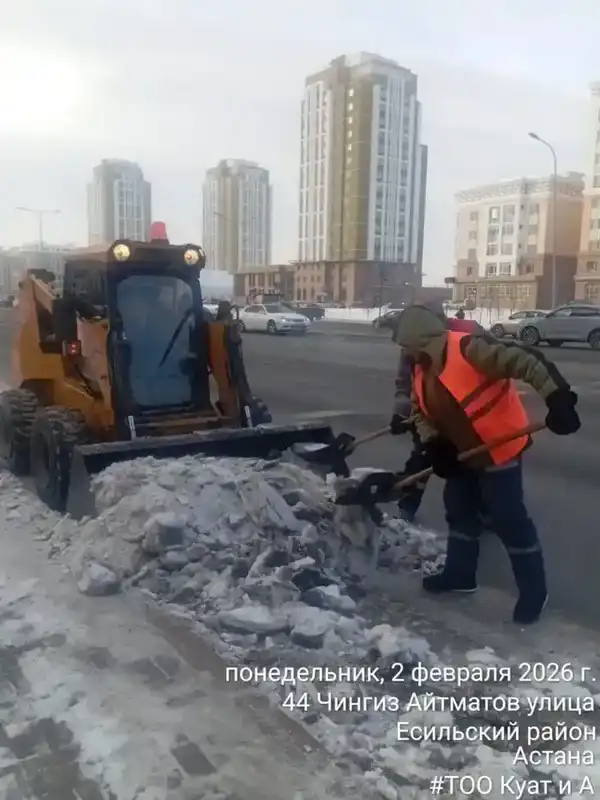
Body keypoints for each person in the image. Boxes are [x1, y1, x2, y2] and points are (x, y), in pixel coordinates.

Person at [392, 303, 580, 624]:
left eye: (406, 346)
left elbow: (525, 361)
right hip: (462, 453)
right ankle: (460, 575)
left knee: (508, 518)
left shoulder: (469, 349)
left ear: (422, 340)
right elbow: (422, 413)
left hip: (498, 447)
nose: (404, 353)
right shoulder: (421, 369)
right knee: (460, 513)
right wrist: (435, 444)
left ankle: (535, 591)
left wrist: (557, 397)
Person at [391, 302, 484, 522]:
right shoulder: (412, 342)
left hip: (468, 414)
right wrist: (401, 414)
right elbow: (405, 381)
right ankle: (407, 505)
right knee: (423, 457)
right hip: (430, 411)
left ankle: (485, 510)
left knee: (475, 464)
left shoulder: (469, 335)